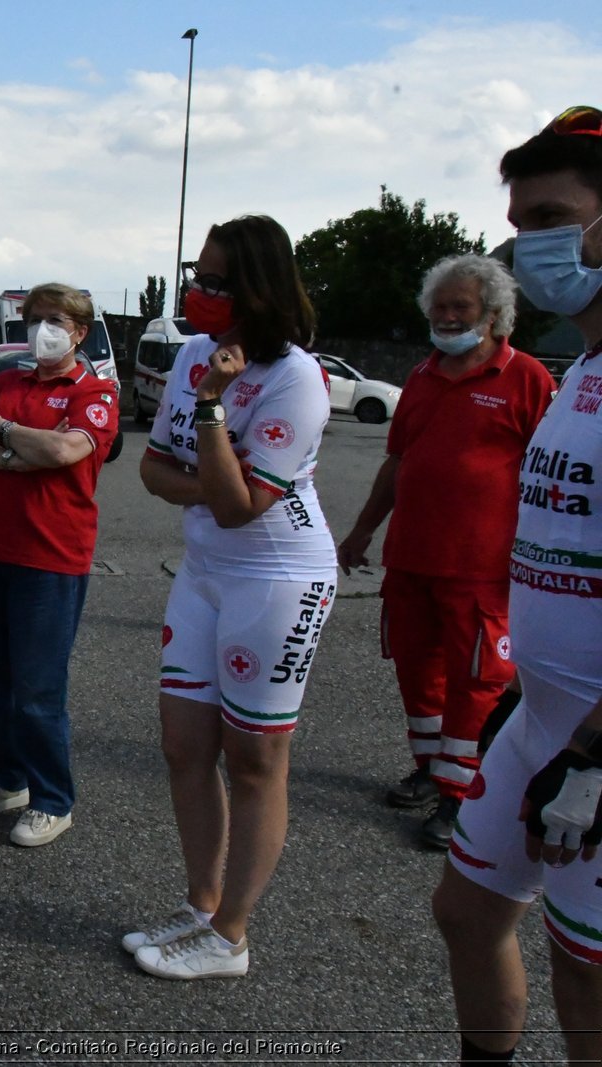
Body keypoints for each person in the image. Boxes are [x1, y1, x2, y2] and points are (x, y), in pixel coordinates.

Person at [433, 105, 602, 1067]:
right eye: (519, 220)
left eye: (551, 216)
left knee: (586, 972)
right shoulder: (583, 367)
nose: (528, 244)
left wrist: (592, 749)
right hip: (540, 716)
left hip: (593, 744)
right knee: (467, 909)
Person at [131, 215, 337, 979]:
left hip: (280, 577)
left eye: (217, 280)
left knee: (255, 758)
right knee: (185, 746)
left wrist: (215, 405)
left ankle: (232, 934)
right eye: (198, 273)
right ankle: (200, 906)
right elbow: (154, 471)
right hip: (207, 570)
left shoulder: (295, 377)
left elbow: (242, 505)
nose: (199, 291)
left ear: (258, 286)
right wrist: (213, 486)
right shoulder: (188, 352)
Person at [338, 255, 554, 850]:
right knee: (417, 670)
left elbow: (554, 473)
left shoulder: (528, 378)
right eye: (439, 308)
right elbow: (398, 462)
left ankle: (463, 795)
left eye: (460, 307)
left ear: (493, 315)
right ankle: (432, 769)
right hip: (411, 561)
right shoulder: (422, 377)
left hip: (482, 569)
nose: (447, 317)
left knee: (478, 679)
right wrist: (361, 532)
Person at [0, 282, 119, 847]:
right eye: (36, 318)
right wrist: (16, 452)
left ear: (80, 332)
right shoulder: (4, 380)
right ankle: (8, 778)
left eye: (57, 320)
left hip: (50, 558)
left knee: (38, 689)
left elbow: (64, 452)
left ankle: (52, 799)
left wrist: (0, 431)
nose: (44, 329)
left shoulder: (94, 392)